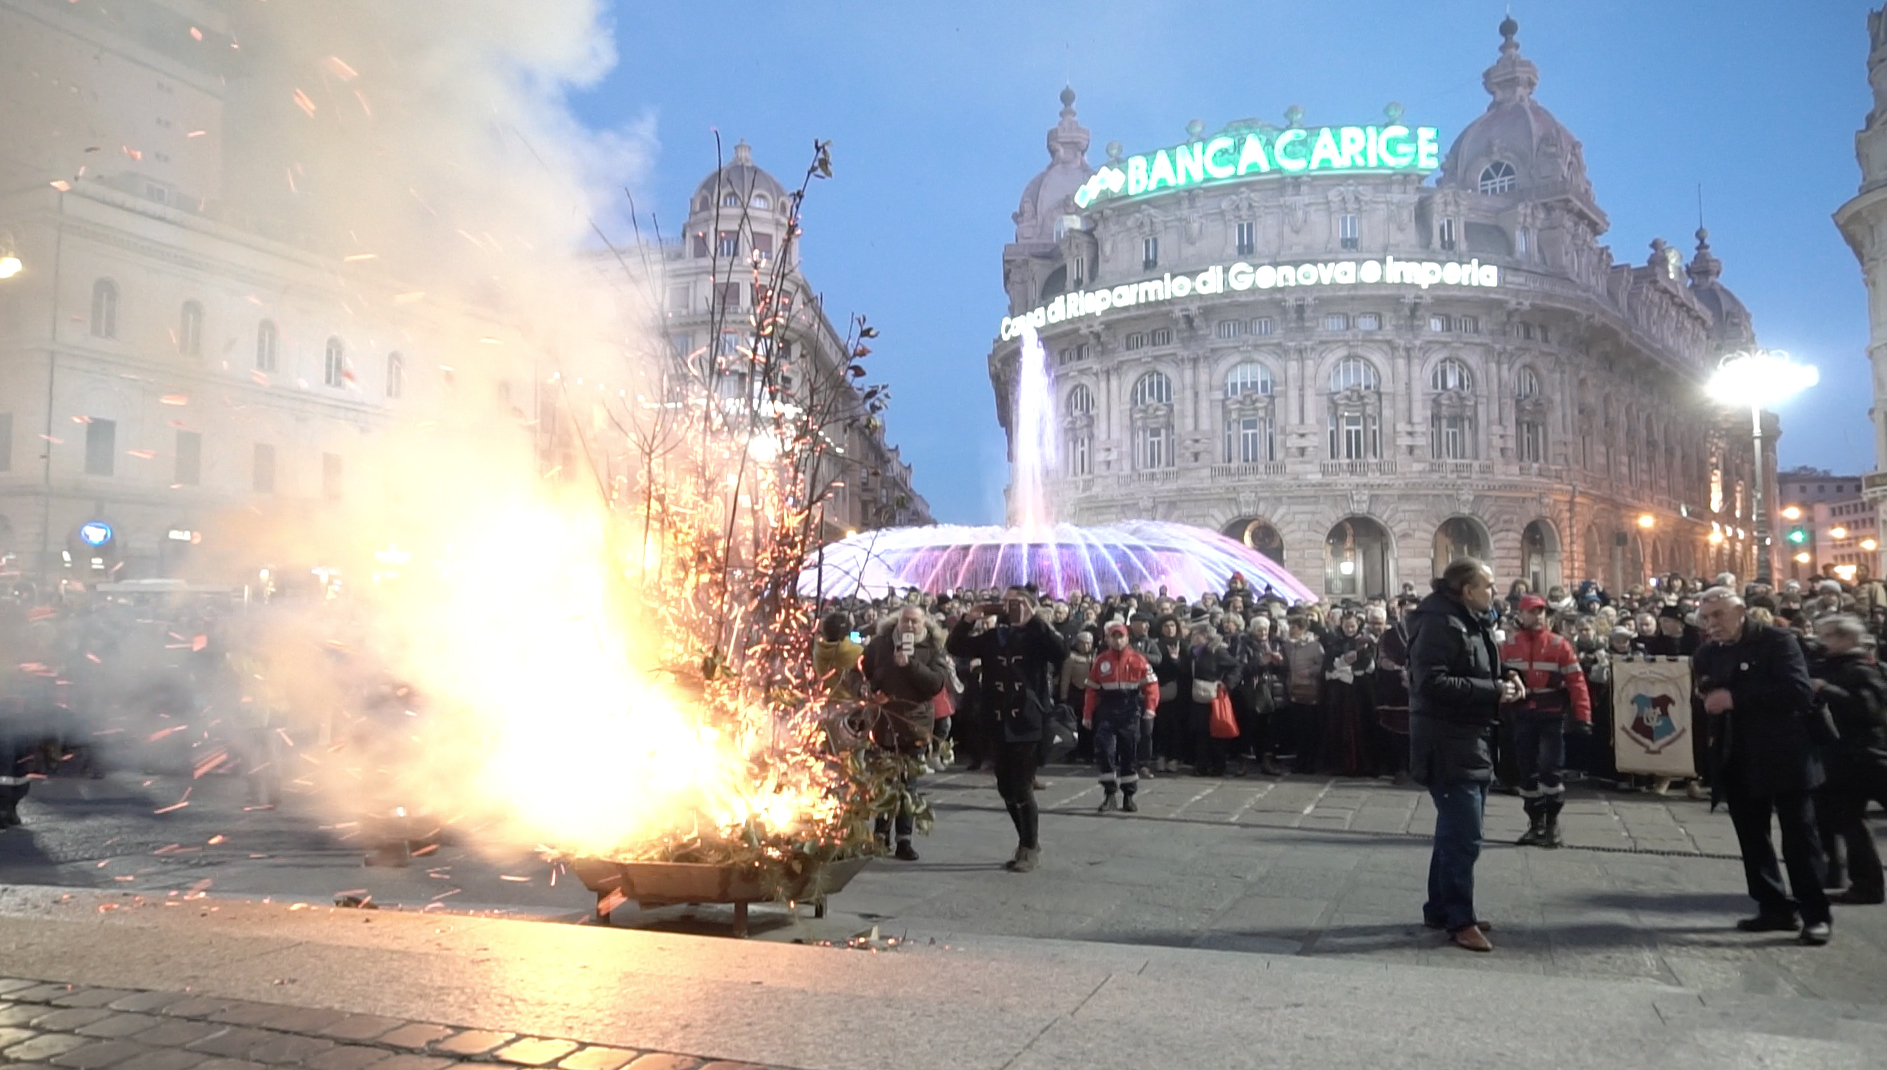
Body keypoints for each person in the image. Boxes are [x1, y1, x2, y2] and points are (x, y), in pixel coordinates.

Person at [1693, 586, 1833, 945]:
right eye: (1706, 618)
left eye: (1719, 615)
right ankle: (1773, 907)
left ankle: (1815, 914)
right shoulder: (1707, 652)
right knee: (1753, 839)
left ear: (1740, 611)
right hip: (1739, 755)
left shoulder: (1778, 641)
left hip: (1785, 754)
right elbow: (1707, 691)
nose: (1712, 624)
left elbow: (1798, 691)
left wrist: (1735, 698)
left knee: (1800, 839)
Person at [1408, 558, 1524, 953]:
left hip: (1471, 739)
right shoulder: (1440, 623)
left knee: (1452, 834)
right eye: (1488, 585)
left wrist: (1507, 676)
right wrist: (1493, 690)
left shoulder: (1471, 620)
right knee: (1465, 838)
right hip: (1448, 743)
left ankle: (1439, 908)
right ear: (1465, 589)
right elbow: (1432, 681)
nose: (1495, 591)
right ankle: (1460, 920)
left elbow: (1478, 664)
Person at [947, 587, 1068, 873]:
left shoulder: (1038, 637)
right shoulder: (993, 637)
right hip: (997, 719)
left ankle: (1029, 846)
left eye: (1019, 603)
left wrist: (1035, 618)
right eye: (1008, 602)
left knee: (1022, 785)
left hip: (1027, 721)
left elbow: (1061, 652)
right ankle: (1025, 839)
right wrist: (969, 618)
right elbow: (957, 648)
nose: (1013, 607)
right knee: (1005, 787)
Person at [1499, 594, 1593, 847]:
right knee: (1527, 771)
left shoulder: (1559, 645)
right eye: (1533, 611)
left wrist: (1583, 715)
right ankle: (1536, 824)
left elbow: (1576, 682)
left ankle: (1552, 824)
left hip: (1551, 714)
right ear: (1521, 615)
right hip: (1522, 714)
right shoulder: (1508, 645)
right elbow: (1498, 675)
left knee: (1551, 769)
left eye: (1542, 612)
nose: (1539, 616)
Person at [1809, 614, 1887, 905]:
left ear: (1847, 639)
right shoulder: (1831, 665)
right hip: (1843, 757)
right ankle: (1864, 884)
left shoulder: (1863, 669)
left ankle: (1865, 884)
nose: (1822, 641)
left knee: (1851, 821)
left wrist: (1825, 690)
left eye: (1828, 636)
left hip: (1868, 755)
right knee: (1848, 821)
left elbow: (1868, 711)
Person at [862, 605, 949, 861]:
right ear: (897, 622)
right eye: (905, 621)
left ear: (925, 624)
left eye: (915, 622)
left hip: (914, 724)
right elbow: (864, 670)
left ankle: (904, 840)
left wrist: (910, 665)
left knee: (908, 785)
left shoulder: (932, 648)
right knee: (884, 781)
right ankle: (879, 837)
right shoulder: (880, 645)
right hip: (885, 721)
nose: (909, 626)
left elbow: (935, 684)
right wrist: (871, 687)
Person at [1083, 622, 1161, 813]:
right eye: (1114, 637)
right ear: (1108, 639)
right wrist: (1087, 714)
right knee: (1105, 751)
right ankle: (1109, 794)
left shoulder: (1139, 660)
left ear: (1127, 638)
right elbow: (1092, 690)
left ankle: (1128, 795)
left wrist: (1150, 708)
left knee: (1129, 752)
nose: (1118, 641)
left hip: (1129, 710)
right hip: (1107, 710)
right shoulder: (1101, 661)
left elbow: (1151, 687)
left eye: (1121, 637)